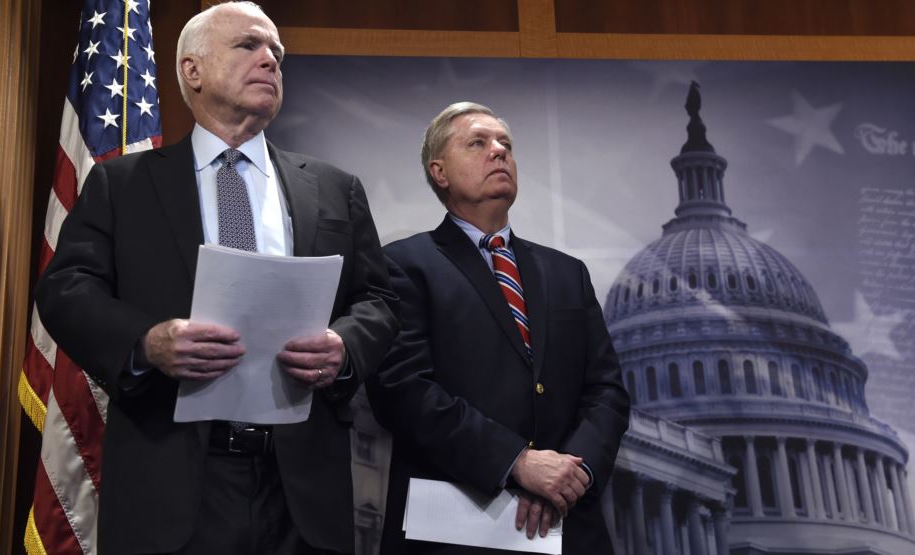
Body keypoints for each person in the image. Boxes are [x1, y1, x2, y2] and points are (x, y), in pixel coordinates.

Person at [35, 2, 397, 554]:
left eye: (276, 53)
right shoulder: (122, 184)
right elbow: (66, 290)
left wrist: (344, 347)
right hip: (172, 481)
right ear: (193, 70)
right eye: (249, 45)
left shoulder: (334, 188)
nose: (270, 60)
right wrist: (146, 342)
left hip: (301, 489)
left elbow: (378, 300)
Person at [368, 102, 630, 554]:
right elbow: (402, 390)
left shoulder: (568, 273)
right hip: (456, 529)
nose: (499, 151)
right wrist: (517, 462)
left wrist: (574, 474)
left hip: (569, 527)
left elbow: (606, 390)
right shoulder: (402, 265)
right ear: (439, 172)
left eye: (505, 144)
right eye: (478, 143)